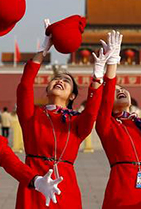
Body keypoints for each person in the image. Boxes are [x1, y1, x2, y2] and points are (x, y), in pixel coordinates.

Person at [15, 19, 111, 209]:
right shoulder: (31, 116)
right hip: (34, 183)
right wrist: (43, 50)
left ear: (72, 95)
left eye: (66, 81)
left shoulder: (77, 122)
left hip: (65, 184)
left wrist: (98, 75)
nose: (60, 81)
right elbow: (25, 86)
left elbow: (92, 111)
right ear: (47, 88)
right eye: (56, 79)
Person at [96, 31, 141, 208]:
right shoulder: (106, 124)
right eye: (115, 90)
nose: (120, 91)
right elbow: (104, 97)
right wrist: (112, 62)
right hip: (121, 184)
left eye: (123, 89)